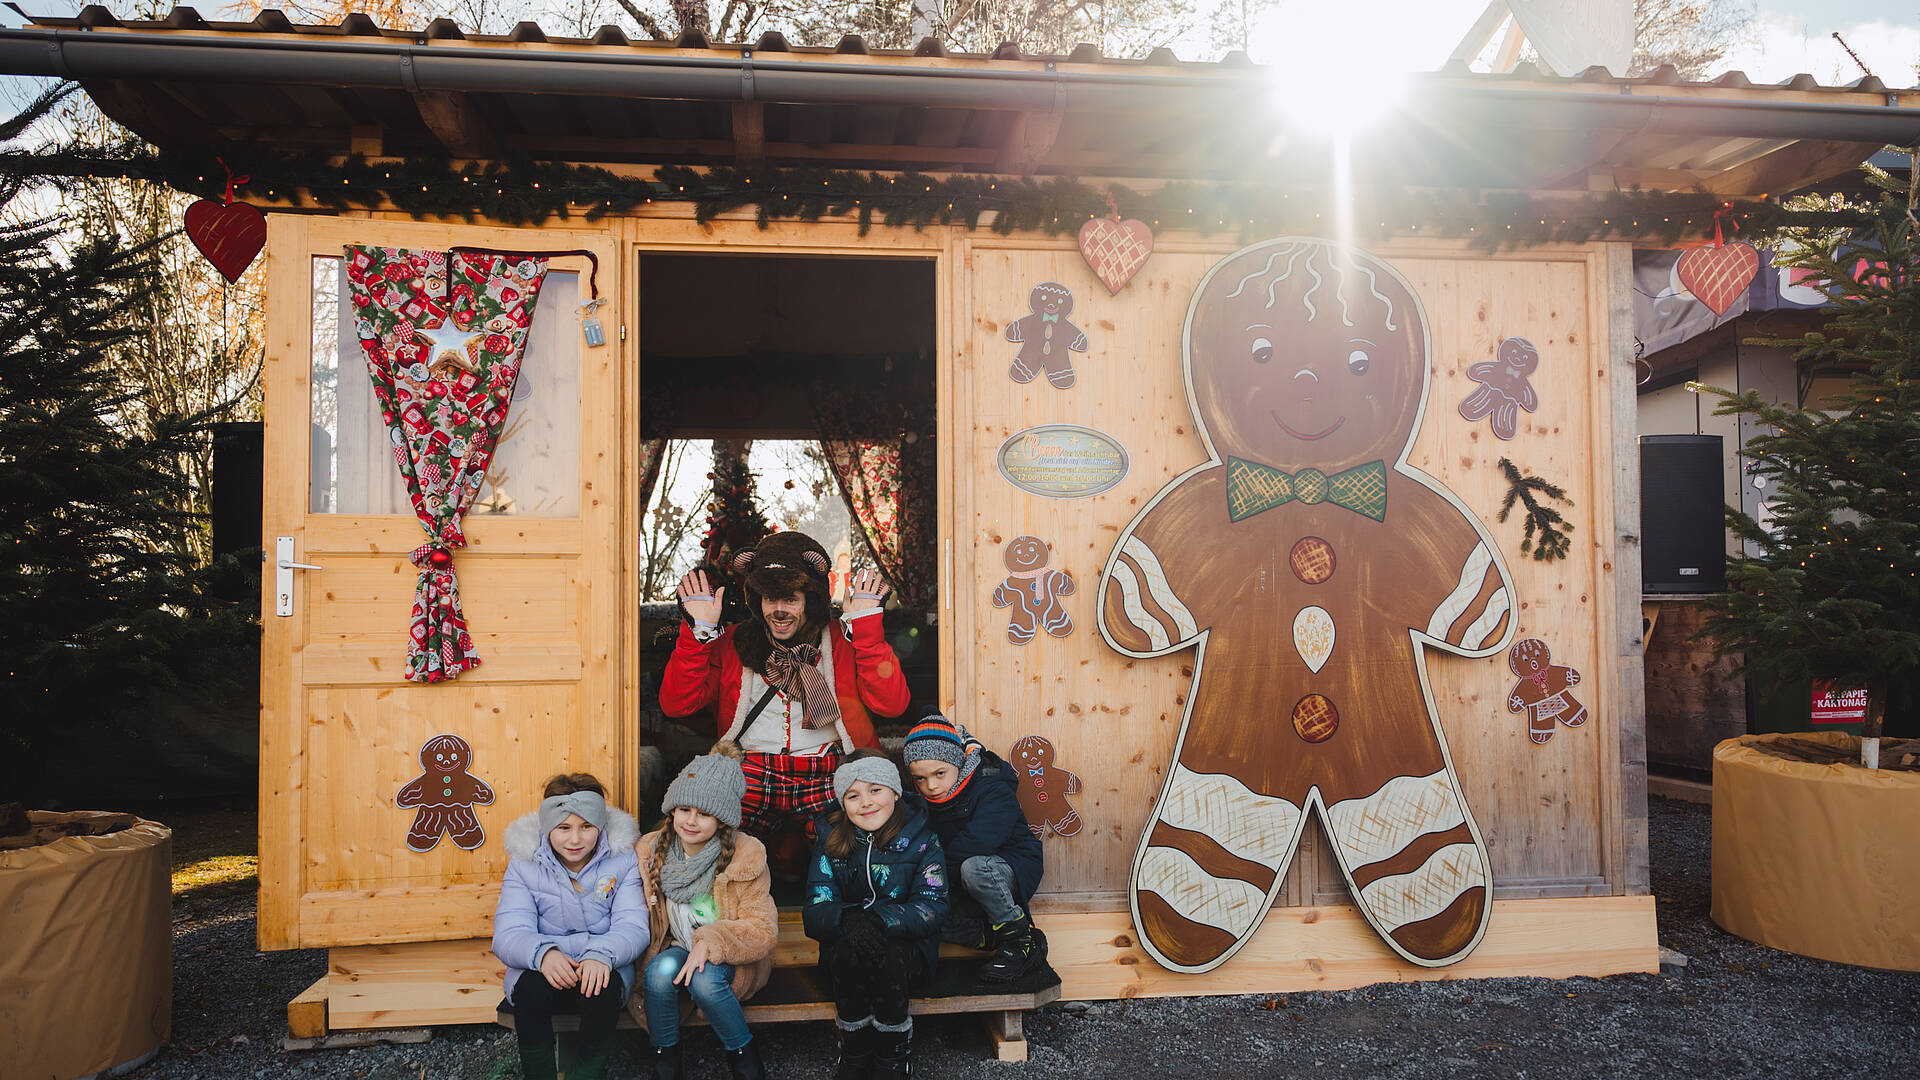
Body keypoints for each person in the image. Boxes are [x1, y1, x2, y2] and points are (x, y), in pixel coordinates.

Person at [662, 531, 911, 870]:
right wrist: (698, 631)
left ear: (810, 599)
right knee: (707, 853)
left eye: (790, 599)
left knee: (855, 859)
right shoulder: (735, 642)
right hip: (751, 769)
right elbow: (678, 705)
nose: (779, 610)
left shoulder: (841, 638)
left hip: (826, 769)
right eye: (769, 599)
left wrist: (866, 628)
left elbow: (892, 705)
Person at [635, 743, 779, 1080]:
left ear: (723, 819)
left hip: (729, 957)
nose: (691, 821)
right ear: (672, 809)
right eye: (684, 809)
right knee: (657, 974)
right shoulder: (649, 849)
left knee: (704, 979)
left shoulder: (746, 856)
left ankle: (744, 1058)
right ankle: (665, 1059)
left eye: (705, 813)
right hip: (675, 947)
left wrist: (710, 942)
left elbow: (762, 928)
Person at [803, 750, 949, 1080]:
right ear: (843, 803)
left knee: (888, 950)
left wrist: (882, 919)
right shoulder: (830, 841)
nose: (866, 802)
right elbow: (815, 908)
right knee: (848, 945)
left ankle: (892, 1051)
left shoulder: (922, 840)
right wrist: (847, 919)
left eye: (875, 790)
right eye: (853, 795)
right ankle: (855, 1047)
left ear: (895, 792)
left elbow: (933, 905)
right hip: (846, 958)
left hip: (906, 956)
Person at [492, 774, 647, 1080]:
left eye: (586, 827)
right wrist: (543, 954)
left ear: (600, 826)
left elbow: (633, 924)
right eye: (563, 828)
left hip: (601, 964)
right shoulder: (524, 864)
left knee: (602, 989)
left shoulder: (623, 859)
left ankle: (586, 1073)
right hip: (544, 967)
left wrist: (602, 953)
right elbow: (509, 931)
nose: (575, 840)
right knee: (531, 990)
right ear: (548, 827)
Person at [902, 716, 1048, 982]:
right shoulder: (920, 801)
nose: (931, 786)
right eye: (920, 779)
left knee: (975, 868)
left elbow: (980, 840)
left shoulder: (990, 787)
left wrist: (932, 869)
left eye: (939, 774)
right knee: (924, 913)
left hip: (1007, 862)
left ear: (957, 763)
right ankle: (990, 936)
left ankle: (1020, 942)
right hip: (954, 867)